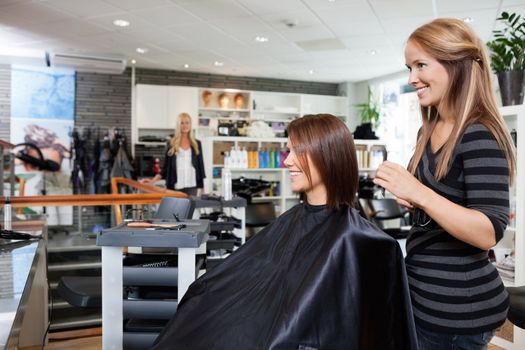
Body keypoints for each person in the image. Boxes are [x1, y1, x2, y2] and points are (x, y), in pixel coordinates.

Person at [152, 114, 417, 349]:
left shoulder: (361, 240)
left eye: (296, 152)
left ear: (326, 155)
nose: (287, 161)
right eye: (287, 151)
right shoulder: (292, 220)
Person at [373, 18, 516, 350]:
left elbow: (487, 231)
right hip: (422, 298)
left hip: (456, 313)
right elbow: (437, 209)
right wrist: (413, 200)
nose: (411, 79)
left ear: (458, 65)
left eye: (421, 65)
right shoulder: (430, 130)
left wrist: (420, 194)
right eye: (409, 67)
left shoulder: (478, 134)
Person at [141, 112, 205, 196]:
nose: (185, 125)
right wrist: (152, 181)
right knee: (176, 209)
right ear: (178, 125)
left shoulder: (197, 144)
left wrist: (202, 186)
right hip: (175, 187)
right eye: (182, 123)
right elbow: (164, 169)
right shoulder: (171, 144)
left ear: (190, 125)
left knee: (190, 209)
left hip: (192, 186)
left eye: (187, 123)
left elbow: (201, 167)